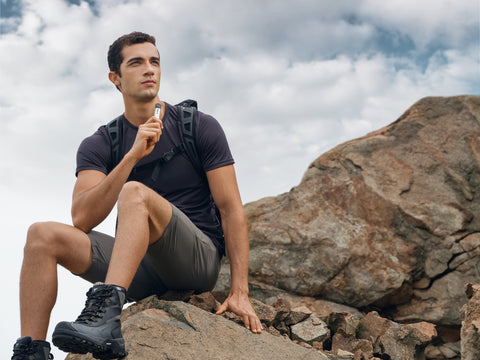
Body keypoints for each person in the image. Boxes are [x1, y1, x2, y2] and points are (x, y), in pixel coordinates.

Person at [11, 31, 262, 360]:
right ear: (115, 78)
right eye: (137, 63)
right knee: (41, 234)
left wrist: (239, 291)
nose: (150, 69)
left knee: (135, 194)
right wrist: (131, 156)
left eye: (155, 61)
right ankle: (31, 351)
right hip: (137, 268)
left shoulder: (198, 126)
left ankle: (106, 320)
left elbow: (230, 209)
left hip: (194, 262)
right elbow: (82, 218)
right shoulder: (102, 143)